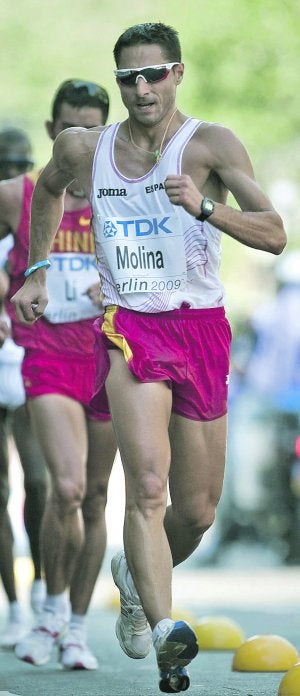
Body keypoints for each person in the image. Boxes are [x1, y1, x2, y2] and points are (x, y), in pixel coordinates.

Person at [11, 23, 287, 692]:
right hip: (130, 325)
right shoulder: (84, 148)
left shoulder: (210, 145)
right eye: (128, 77)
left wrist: (206, 207)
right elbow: (44, 192)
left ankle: (136, 581)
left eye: (154, 74)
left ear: (178, 74)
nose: (141, 88)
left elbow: (274, 233)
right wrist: (40, 268)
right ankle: (166, 633)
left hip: (200, 329)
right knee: (148, 488)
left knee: (195, 511)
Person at [0, 81, 117, 670]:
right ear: (52, 133)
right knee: (64, 487)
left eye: (93, 131)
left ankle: (74, 626)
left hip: (111, 357)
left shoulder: (122, 192)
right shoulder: (18, 194)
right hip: (47, 355)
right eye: (71, 130)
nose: (81, 142)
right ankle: (46, 613)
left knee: (95, 499)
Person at [0, 127, 48, 649]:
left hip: (31, 361)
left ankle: (39, 594)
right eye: (3, 162)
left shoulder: (42, 213)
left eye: (20, 162)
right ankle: (12, 604)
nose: (11, 170)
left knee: (40, 486)